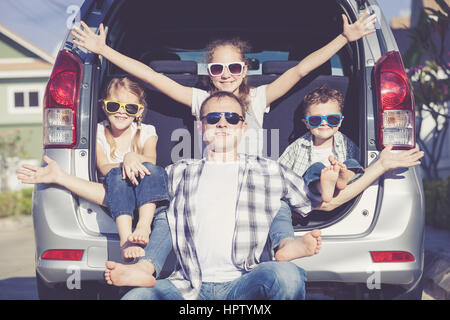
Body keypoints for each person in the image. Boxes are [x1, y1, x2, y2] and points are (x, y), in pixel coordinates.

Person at [18, 91, 424, 300]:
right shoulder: (178, 172)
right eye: (214, 118)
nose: (223, 123)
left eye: (232, 117)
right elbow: (110, 194)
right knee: (137, 296)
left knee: (286, 274)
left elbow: (327, 202)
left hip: (245, 285)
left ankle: (285, 248)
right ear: (202, 127)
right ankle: (145, 269)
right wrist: (58, 176)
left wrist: (381, 166)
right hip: (186, 288)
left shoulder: (269, 168)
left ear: (244, 126)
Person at [70, 11, 377, 156]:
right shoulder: (200, 99)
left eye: (233, 67)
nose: (226, 73)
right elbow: (152, 76)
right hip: (212, 180)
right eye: (217, 67)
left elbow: (299, 71)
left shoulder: (257, 98)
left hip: (250, 182)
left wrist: (344, 38)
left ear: (244, 70)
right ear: (210, 71)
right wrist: (104, 50)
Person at [96, 76, 169, 261]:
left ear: (139, 111)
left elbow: (151, 159)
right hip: (117, 186)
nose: (121, 112)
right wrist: (124, 164)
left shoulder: (147, 131)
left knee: (154, 170)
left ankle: (144, 225)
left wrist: (131, 156)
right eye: (114, 106)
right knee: (116, 176)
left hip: (144, 185)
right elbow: (104, 166)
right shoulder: (98, 132)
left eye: (130, 108)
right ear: (104, 106)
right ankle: (126, 239)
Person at [279, 85, 364, 202]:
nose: (324, 123)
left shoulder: (346, 143)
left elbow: (361, 165)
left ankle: (344, 177)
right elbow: (280, 171)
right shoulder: (298, 146)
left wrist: (343, 171)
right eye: (315, 120)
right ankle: (322, 186)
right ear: (306, 123)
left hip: (343, 193)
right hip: (310, 195)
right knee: (315, 169)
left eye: (332, 119)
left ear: (340, 122)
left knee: (352, 164)